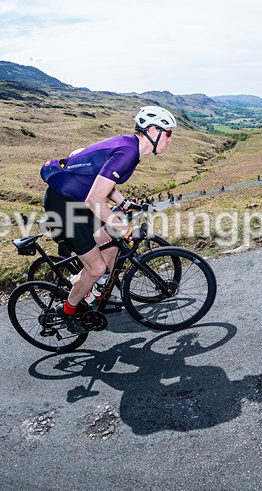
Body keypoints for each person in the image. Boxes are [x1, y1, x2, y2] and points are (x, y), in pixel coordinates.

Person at [39, 105, 176, 333]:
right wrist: (126, 230)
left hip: (78, 199)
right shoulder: (128, 152)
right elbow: (95, 200)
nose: (170, 140)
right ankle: (68, 310)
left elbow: (102, 182)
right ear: (153, 131)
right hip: (64, 204)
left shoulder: (130, 148)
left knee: (112, 242)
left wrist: (122, 204)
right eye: (168, 133)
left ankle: (96, 289)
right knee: (96, 267)